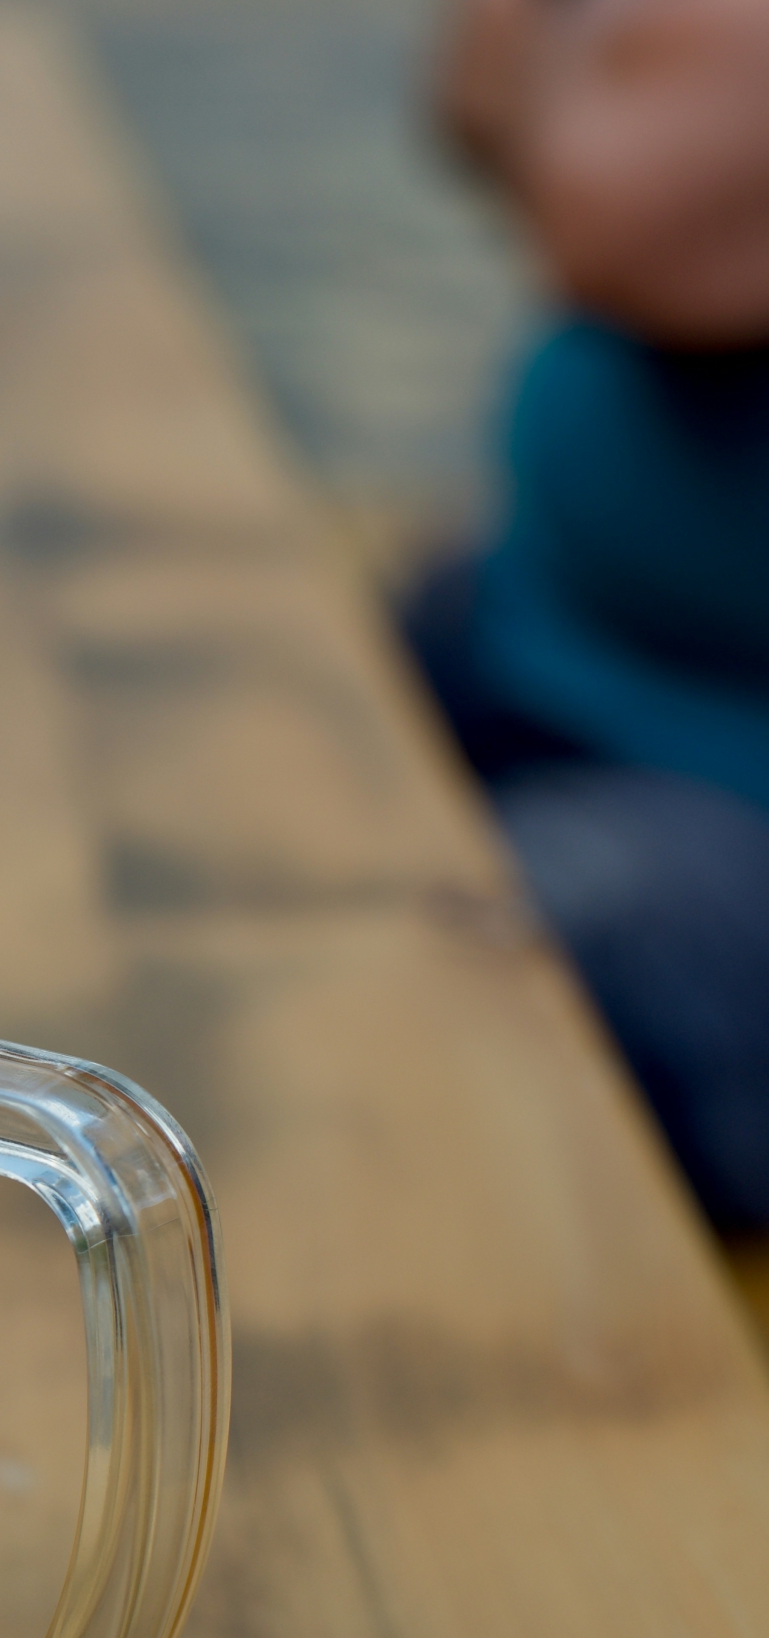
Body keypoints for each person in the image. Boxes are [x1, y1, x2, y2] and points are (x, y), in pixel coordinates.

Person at [415, 0, 769, 1228]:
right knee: (257, 699)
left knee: (449, 968)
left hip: (732, 793)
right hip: (569, 626)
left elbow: (620, 192)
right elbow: (468, 93)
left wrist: (588, 55)